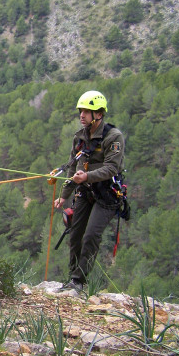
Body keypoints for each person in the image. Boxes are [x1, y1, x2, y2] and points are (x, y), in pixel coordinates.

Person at [53, 90, 125, 292]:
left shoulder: (113, 137)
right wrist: (63, 195)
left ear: (99, 114)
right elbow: (72, 167)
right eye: (81, 111)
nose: (82, 115)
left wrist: (86, 176)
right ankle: (72, 279)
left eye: (87, 111)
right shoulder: (80, 138)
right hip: (85, 191)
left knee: (91, 235)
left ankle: (79, 281)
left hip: (107, 194)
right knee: (75, 235)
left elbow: (112, 168)